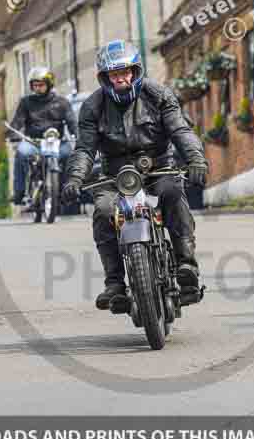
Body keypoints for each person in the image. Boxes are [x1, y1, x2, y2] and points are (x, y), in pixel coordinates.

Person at [62, 40, 208, 311]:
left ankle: (186, 265)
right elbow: (84, 149)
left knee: (174, 194)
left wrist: (196, 159)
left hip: (159, 168)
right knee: (104, 211)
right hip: (116, 176)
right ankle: (115, 282)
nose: (122, 78)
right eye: (115, 74)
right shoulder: (93, 107)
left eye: (126, 72)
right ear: (105, 77)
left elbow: (181, 131)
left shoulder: (159, 95)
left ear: (136, 71)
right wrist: (74, 178)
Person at [8, 66, 77, 215]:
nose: (38, 88)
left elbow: (72, 121)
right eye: (35, 85)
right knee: (21, 152)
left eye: (41, 85)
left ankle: (70, 190)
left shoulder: (62, 102)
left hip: (56, 142)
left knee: (71, 154)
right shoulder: (26, 102)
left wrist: (77, 135)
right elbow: (18, 121)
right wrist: (12, 132)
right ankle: (19, 192)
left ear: (49, 84)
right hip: (34, 142)